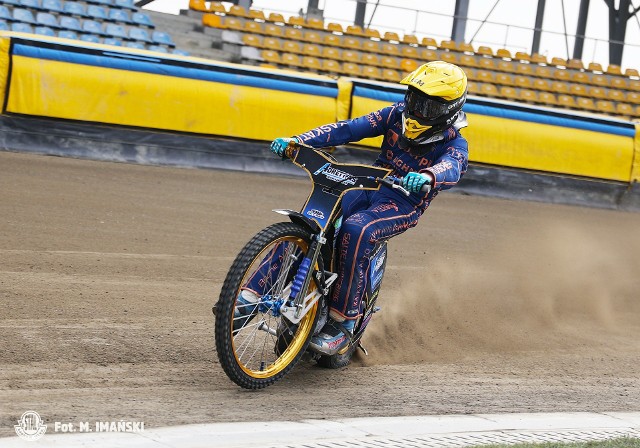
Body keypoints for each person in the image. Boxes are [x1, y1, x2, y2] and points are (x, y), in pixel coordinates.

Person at [264, 60, 470, 355]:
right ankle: (252, 292)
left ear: (449, 111)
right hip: (366, 186)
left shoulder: (456, 144)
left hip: (402, 202)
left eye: (431, 107)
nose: (419, 111)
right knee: (315, 215)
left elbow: (451, 167)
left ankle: (343, 323)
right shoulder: (393, 115)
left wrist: (428, 176)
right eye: (416, 101)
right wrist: (299, 141)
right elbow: (347, 129)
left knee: (357, 229)